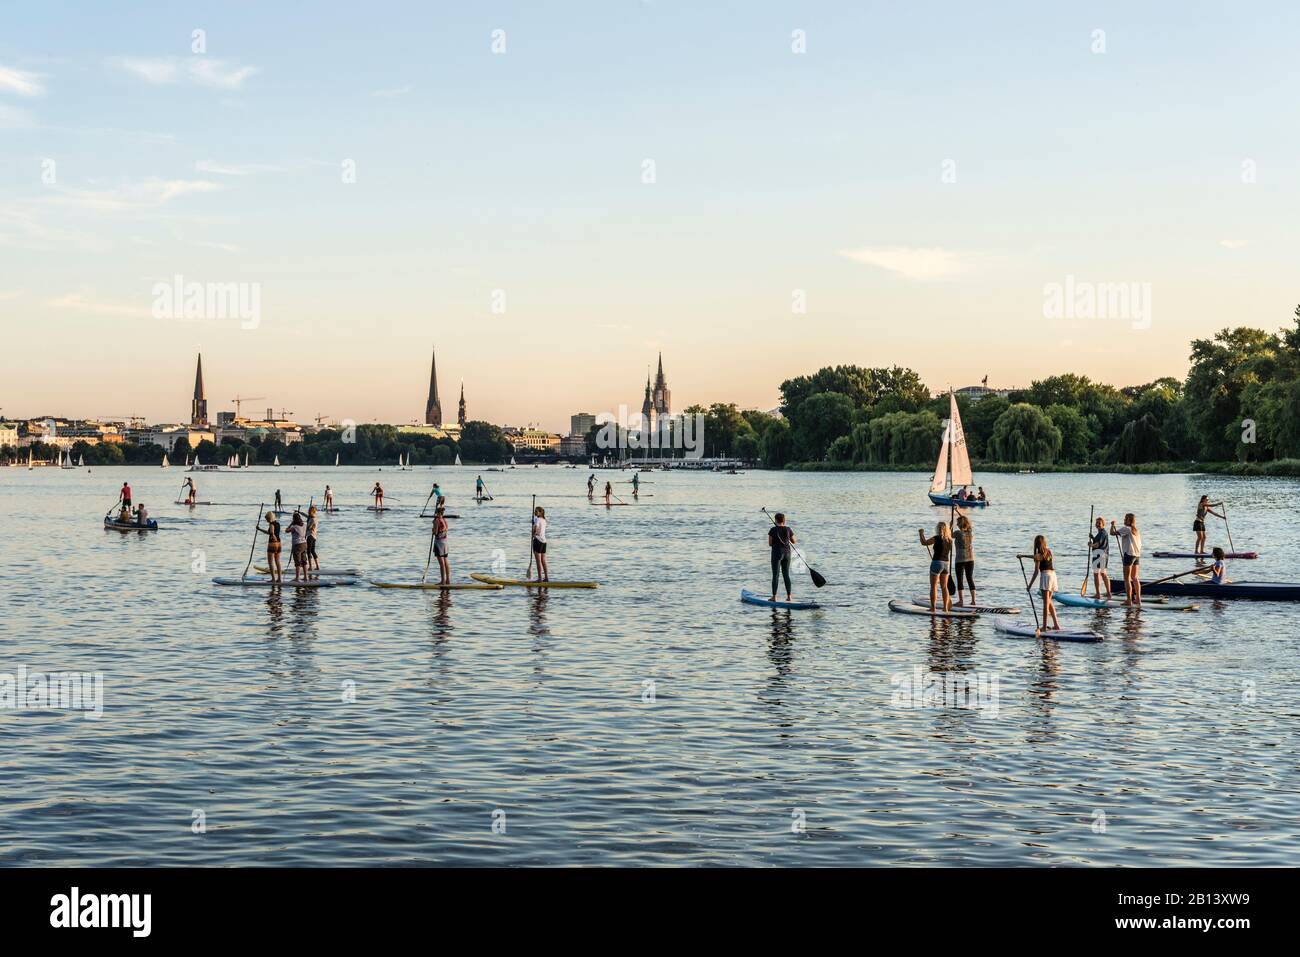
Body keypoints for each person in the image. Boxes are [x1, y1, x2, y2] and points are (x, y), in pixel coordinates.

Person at [1026, 534, 1061, 631]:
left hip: (1046, 577)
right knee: (1049, 603)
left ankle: (1044, 627)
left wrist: (1029, 585)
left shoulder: (1038, 555)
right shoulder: (1049, 552)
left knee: (1045, 604)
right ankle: (1056, 625)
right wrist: (1024, 556)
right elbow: (1036, 557)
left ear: (1036, 544)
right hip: (1053, 575)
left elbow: (1036, 572)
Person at [918, 522, 953, 612]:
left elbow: (924, 543)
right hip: (946, 564)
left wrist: (921, 533)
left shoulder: (936, 538)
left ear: (938, 529)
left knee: (933, 586)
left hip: (937, 563)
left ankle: (933, 608)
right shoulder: (949, 540)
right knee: (944, 587)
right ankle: (945, 608)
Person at [1110, 513, 1142, 606]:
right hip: (1137, 555)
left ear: (1130, 521)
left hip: (1129, 555)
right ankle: (1138, 600)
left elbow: (1112, 533)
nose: (1124, 520)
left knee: (1127, 579)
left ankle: (1128, 600)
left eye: (1126, 519)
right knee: (1135, 578)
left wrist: (1112, 526)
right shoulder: (1136, 531)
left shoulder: (1126, 528)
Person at [768, 512, 796, 603]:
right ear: (784, 520)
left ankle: (774, 597)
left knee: (775, 575)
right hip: (787, 554)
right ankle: (789, 597)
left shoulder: (772, 529)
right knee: (786, 575)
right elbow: (794, 541)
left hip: (776, 554)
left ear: (776, 520)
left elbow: (770, 543)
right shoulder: (788, 529)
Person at [953, 515, 976, 607]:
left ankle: (961, 601)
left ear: (960, 524)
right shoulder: (969, 532)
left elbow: (949, 535)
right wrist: (957, 511)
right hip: (970, 559)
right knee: (970, 579)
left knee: (960, 580)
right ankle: (973, 600)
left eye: (957, 523)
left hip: (960, 559)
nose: (957, 524)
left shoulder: (958, 533)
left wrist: (950, 525)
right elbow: (968, 522)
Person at [1088, 516, 1112, 600]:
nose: (1097, 524)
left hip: (1101, 554)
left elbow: (1098, 544)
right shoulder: (1099, 533)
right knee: (1097, 574)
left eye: (1099, 523)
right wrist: (1092, 538)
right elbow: (1097, 541)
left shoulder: (1103, 532)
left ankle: (1108, 593)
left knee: (1102, 574)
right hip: (1097, 554)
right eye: (1097, 523)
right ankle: (1098, 594)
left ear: (1103, 524)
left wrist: (1091, 545)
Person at [257, 511, 283, 582]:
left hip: (272, 544)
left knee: (271, 562)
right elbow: (269, 532)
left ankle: (273, 579)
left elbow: (271, 532)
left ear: (269, 518)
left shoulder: (271, 524)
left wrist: (273, 536)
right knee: (277, 561)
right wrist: (260, 529)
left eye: (267, 519)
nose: (267, 521)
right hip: (279, 543)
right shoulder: (278, 524)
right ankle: (280, 579)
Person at [286, 511, 310, 582]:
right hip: (304, 543)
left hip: (297, 545)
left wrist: (291, 524)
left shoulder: (294, 527)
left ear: (294, 519)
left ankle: (297, 578)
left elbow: (286, 530)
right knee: (304, 561)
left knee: (297, 562)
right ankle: (306, 577)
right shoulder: (304, 525)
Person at [432, 505, 451, 585]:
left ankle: (443, 581)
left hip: (439, 543)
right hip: (445, 543)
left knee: (441, 563)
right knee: (446, 562)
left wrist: (432, 529)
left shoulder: (437, 520)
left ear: (437, 513)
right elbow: (445, 529)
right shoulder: (444, 520)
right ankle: (448, 580)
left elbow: (435, 532)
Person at [531, 506, 549, 581]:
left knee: (538, 561)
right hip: (544, 542)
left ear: (540, 512)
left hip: (537, 541)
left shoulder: (537, 520)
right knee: (543, 560)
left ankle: (540, 578)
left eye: (536, 511)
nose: (535, 512)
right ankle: (546, 577)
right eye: (535, 511)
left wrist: (533, 531)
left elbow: (535, 529)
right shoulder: (544, 520)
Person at [306, 506, 320, 572]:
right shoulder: (316, 518)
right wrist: (300, 512)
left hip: (310, 536)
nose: (308, 512)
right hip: (314, 536)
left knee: (308, 551)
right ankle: (317, 566)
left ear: (311, 511)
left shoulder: (312, 519)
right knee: (313, 551)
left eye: (309, 511)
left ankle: (310, 567)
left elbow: (309, 527)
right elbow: (307, 516)